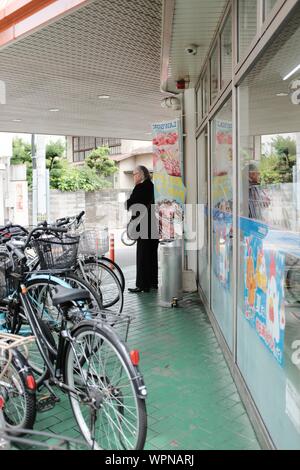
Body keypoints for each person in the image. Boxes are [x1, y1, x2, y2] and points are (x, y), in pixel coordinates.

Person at [126, 166, 159, 293]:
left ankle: (142, 285)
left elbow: (130, 204)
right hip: (153, 225)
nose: (133, 176)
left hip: (143, 226)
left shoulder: (140, 187)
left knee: (142, 256)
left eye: (134, 174)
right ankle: (153, 282)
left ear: (141, 175)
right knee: (152, 255)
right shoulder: (153, 187)